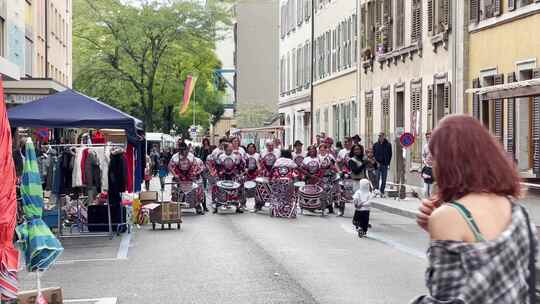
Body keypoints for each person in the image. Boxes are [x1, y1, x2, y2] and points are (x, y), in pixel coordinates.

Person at [413, 115, 537, 304]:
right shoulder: (518, 212)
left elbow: (444, 297)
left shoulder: (448, 216)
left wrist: (439, 223)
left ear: (448, 163)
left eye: (435, 158)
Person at [373, 132, 392, 197]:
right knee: (377, 178)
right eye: (379, 136)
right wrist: (375, 162)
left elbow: (390, 154)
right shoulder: (375, 145)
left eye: (381, 136)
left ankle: (382, 191)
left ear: (384, 137)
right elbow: (373, 154)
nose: (380, 137)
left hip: (385, 164)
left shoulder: (388, 145)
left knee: (384, 179)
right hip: (377, 164)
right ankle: (377, 190)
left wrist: (388, 163)